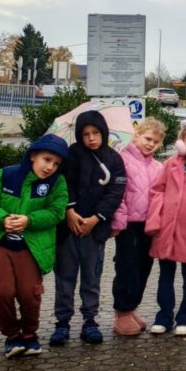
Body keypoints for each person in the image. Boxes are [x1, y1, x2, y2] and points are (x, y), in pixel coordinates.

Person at [0, 134, 69, 358]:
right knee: (3, 292)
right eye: (47, 160)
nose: (50, 167)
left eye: (56, 164)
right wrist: (1, 218)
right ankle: (12, 336)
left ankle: (29, 335)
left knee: (29, 294)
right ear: (33, 155)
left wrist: (30, 220)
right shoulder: (6, 175)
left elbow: (57, 212)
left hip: (32, 248)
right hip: (1, 245)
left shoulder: (57, 182)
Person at [52, 110, 127, 346]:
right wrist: (70, 211)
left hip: (95, 231)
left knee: (91, 276)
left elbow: (115, 193)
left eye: (95, 133)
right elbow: (64, 184)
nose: (91, 138)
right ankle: (62, 322)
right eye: (85, 134)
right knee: (65, 277)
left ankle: (90, 321)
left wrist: (97, 218)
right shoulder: (71, 155)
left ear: (104, 132)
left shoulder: (114, 159)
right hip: (68, 230)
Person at [145, 117, 186, 336]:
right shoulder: (171, 164)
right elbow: (157, 190)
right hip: (166, 229)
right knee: (165, 275)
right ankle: (164, 316)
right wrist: (156, 219)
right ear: (182, 143)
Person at [111, 117, 166, 337]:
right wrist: (118, 220)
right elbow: (118, 194)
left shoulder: (157, 166)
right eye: (147, 138)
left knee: (144, 267)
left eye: (156, 141)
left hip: (148, 225)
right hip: (128, 225)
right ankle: (121, 312)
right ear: (137, 135)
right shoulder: (122, 160)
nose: (151, 144)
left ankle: (132, 307)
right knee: (127, 268)